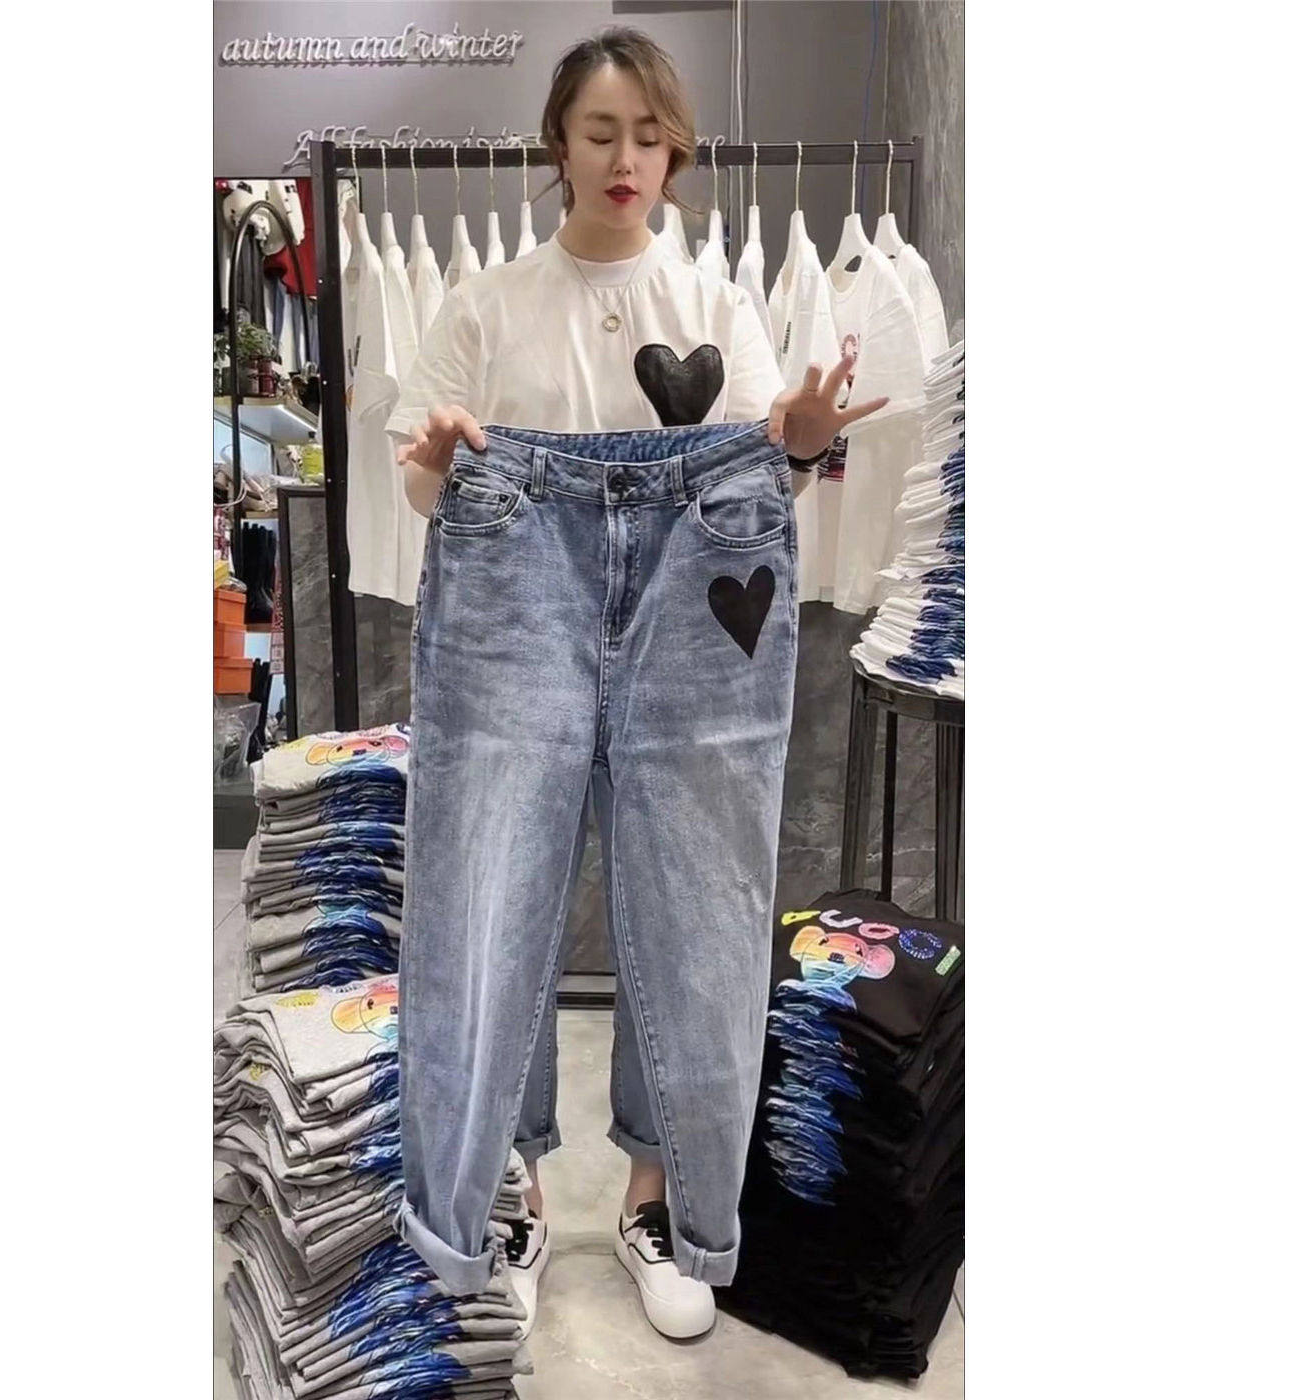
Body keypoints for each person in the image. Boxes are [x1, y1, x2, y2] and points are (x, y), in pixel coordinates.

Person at [384, 27, 889, 1340]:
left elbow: (764, 476)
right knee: (491, 888)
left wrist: (800, 444)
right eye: (601, 131)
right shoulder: (484, 305)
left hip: (697, 586)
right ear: (559, 143)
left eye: (649, 135)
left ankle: (664, 1201)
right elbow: (424, 490)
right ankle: (505, 1189)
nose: (625, 157)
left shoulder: (718, 307)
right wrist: (436, 460)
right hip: (513, 565)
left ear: (676, 154)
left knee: (700, 907)